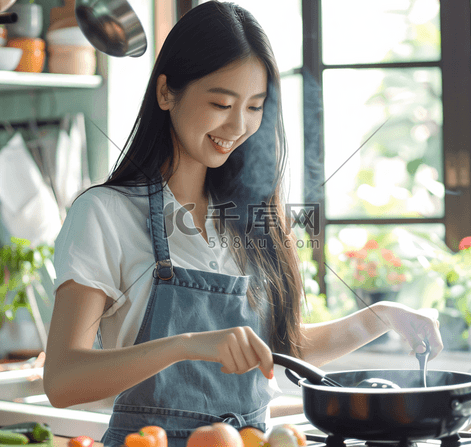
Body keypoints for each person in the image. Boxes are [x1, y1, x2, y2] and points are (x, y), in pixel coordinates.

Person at [43, 2, 443, 446]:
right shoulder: (106, 214)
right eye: (221, 103)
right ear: (166, 93)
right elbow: (63, 380)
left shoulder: (251, 219)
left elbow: (278, 349)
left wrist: (381, 317)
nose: (238, 125)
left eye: (255, 107)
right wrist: (187, 344)